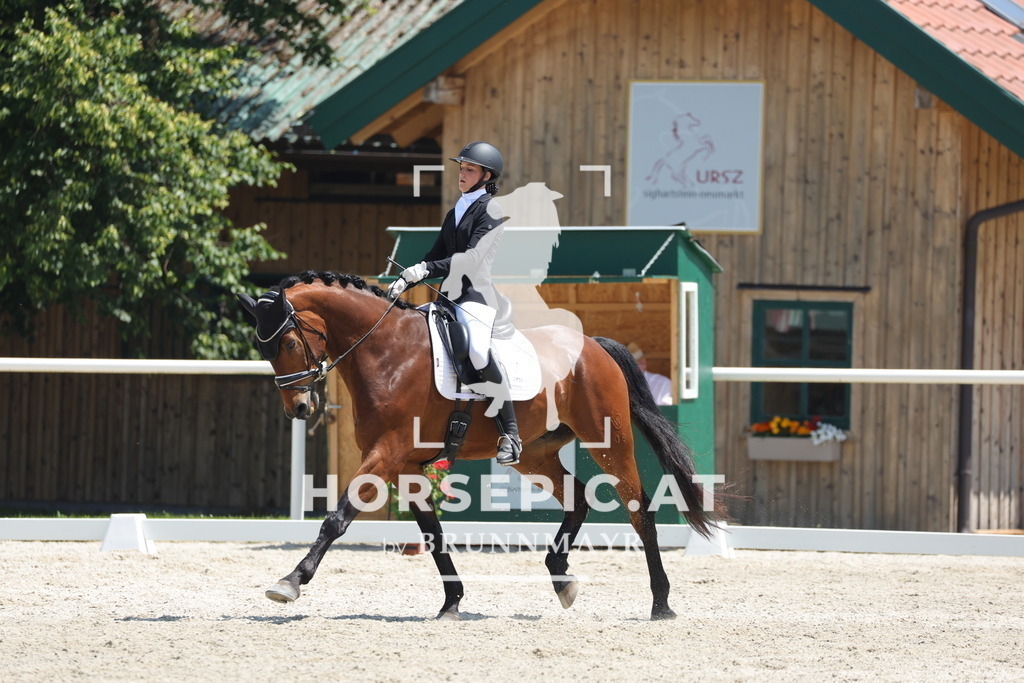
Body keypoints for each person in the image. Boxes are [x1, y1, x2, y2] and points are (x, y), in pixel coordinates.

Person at [386, 141, 522, 466]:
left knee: (477, 350)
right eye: (461, 168)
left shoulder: (492, 211)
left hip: (476, 297)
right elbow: (436, 254)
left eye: (469, 169)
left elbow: (472, 259)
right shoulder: (455, 210)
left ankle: (512, 434)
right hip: (447, 298)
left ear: (486, 175)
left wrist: (428, 270)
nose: (462, 174)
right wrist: (409, 277)